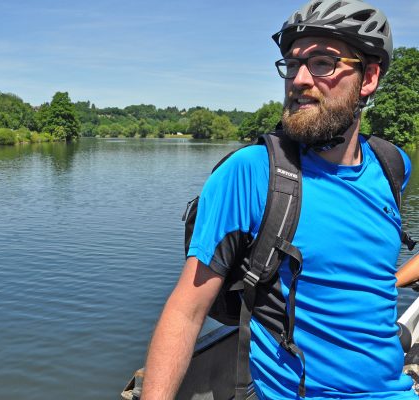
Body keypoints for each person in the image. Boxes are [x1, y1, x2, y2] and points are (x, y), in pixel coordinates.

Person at [140, 1, 419, 399]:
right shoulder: (252, 173)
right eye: (293, 64)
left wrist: (390, 281)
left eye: (323, 62)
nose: (300, 79)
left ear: (369, 77)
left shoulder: (392, 165)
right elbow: (186, 312)